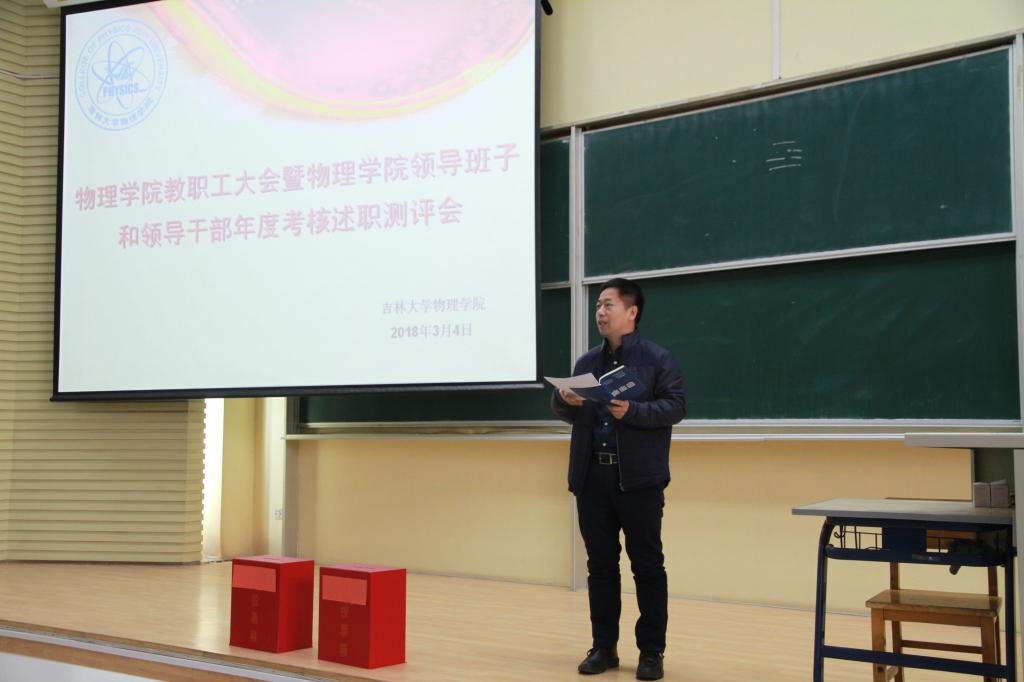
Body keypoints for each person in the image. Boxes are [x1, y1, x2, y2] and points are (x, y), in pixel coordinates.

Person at [551, 277, 686, 681]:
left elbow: (675, 407)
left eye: (608, 304)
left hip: (639, 481)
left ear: (632, 312)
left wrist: (634, 411)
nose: (600, 312)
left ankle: (651, 652)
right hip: (593, 478)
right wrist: (564, 399)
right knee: (601, 567)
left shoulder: (657, 359)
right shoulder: (586, 363)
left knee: (647, 566)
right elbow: (569, 413)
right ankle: (603, 647)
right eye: (598, 305)